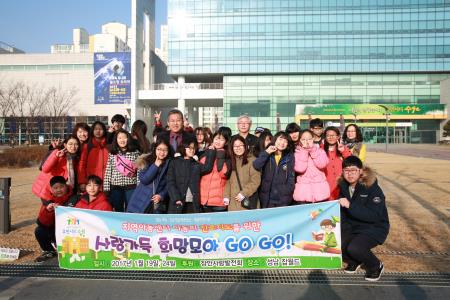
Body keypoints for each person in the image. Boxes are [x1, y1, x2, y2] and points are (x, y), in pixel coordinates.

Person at [338, 156, 389, 281]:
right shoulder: (344, 186)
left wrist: (350, 206)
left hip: (373, 228)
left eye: (353, 170)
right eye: (346, 170)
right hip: (353, 226)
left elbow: (374, 216)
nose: (349, 174)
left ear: (361, 171)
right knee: (334, 242)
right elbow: (343, 214)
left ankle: (375, 266)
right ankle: (354, 261)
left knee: (355, 247)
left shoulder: (372, 188)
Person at [127, 139, 172, 214]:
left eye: (165, 150)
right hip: (142, 198)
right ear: (155, 149)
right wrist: (155, 166)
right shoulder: (147, 160)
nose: (162, 152)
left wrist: (161, 195)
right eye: (159, 149)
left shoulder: (170, 164)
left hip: (157, 202)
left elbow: (170, 183)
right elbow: (144, 180)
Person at [34, 176, 72, 263]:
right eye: (55, 188)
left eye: (61, 187)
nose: (59, 190)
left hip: (71, 231)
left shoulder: (74, 197)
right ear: (51, 189)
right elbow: (42, 223)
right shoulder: (48, 201)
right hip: (55, 231)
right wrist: (49, 210)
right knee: (39, 231)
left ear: (66, 186)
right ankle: (49, 251)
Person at [253, 131, 295, 208]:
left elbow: (291, 177)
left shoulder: (289, 157)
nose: (282, 143)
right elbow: (256, 165)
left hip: (283, 197)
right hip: (267, 196)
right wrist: (267, 152)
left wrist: (287, 191)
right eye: (280, 139)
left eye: (285, 141)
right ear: (275, 140)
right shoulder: (267, 153)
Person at [32, 135, 80, 200]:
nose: (73, 147)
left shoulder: (74, 158)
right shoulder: (58, 153)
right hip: (48, 189)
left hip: (61, 191)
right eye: (70, 144)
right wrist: (56, 156)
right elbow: (45, 169)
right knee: (48, 209)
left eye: (76, 144)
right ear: (65, 145)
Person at [103, 129, 140, 212]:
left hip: (131, 186)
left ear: (128, 139)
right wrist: (106, 189)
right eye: (119, 138)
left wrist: (139, 186)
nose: (122, 140)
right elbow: (108, 171)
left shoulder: (135, 153)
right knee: (118, 209)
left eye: (124, 138)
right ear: (116, 140)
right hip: (116, 186)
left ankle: (129, 224)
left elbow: (139, 171)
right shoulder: (112, 154)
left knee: (130, 209)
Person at [167, 137, 203, 213]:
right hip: (178, 201)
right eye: (189, 148)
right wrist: (176, 198)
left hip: (193, 203)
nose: (192, 150)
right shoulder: (174, 162)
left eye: (194, 148)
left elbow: (207, 168)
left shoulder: (196, 164)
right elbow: (170, 181)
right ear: (183, 147)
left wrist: (211, 151)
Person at [224, 136, 261, 211]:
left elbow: (255, 181)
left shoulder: (252, 160)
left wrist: (244, 193)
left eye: (240, 145)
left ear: (245, 146)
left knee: (248, 222)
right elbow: (228, 181)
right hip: (233, 203)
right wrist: (226, 196)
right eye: (235, 146)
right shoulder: (231, 161)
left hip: (247, 201)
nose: (238, 148)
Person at [293, 129, 330, 203]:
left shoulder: (320, 151)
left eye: (309, 139)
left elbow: (322, 165)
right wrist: (304, 151)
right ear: (300, 140)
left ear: (313, 139)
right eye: (303, 139)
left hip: (320, 192)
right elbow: (300, 169)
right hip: (303, 193)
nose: (307, 141)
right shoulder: (297, 153)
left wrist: (312, 150)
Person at [200, 128, 232, 213]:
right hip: (204, 200)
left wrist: (220, 154)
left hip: (219, 202)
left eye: (222, 139)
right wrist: (210, 153)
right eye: (217, 138)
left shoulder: (228, 156)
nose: (218, 141)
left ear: (226, 142)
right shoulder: (206, 153)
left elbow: (224, 174)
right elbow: (201, 170)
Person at [322, 126, 352, 200]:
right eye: (328, 135)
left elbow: (351, 162)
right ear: (325, 137)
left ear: (338, 136)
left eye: (333, 135)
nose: (331, 137)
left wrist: (343, 151)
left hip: (342, 186)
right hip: (326, 187)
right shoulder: (320, 150)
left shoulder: (344, 148)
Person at [78, 121, 109, 191]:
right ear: (92, 131)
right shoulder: (87, 146)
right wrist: (82, 181)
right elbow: (82, 164)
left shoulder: (108, 146)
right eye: (96, 129)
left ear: (104, 131)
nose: (98, 131)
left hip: (107, 183)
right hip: (91, 183)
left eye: (100, 129)